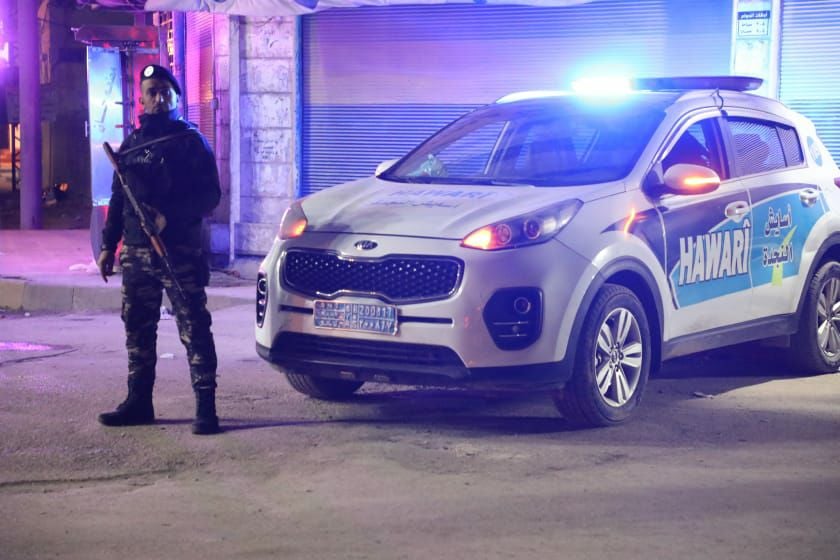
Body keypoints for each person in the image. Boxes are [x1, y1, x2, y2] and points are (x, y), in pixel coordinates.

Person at [97, 64, 222, 435]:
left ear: (177, 97)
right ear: (142, 98)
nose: (158, 97)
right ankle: (139, 402)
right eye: (151, 91)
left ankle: (206, 408)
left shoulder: (191, 142)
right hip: (136, 253)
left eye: (165, 91)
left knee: (193, 326)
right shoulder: (132, 144)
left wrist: (171, 216)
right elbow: (120, 197)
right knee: (137, 327)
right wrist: (108, 245)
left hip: (177, 252)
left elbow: (210, 195)